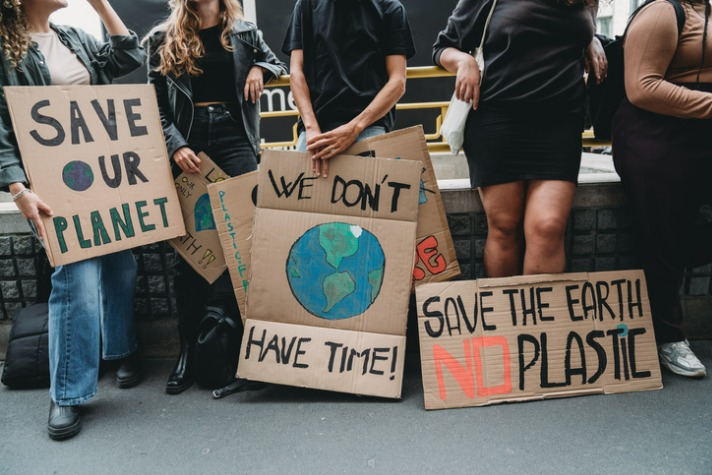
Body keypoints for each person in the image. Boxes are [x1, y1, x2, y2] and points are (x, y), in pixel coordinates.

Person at [0, 0, 145, 440]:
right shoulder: (7, 50)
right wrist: (17, 188)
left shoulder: (74, 36)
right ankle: (66, 392)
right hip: (53, 184)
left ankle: (120, 351)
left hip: (102, 175)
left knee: (121, 261)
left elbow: (129, 56)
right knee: (75, 281)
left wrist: (102, 5)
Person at [144, 0, 287, 394]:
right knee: (189, 250)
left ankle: (241, 346)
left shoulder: (244, 33)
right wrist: (174, 144)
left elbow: (280, 65)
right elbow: (152, 106)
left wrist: (261, 67)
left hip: (235, 137)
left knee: (246, 240)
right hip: (189, 142)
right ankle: (189, 349)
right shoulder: (161, 38)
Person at [433, 0, 606, 278]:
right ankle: (504, 319)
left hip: (560, 124)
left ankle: (542, 321)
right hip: (497, 119)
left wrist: (591, 40)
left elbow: (574, 31)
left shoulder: (586, 1)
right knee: (504, 227)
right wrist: (463, 60)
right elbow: (443, 47)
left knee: (548, 227)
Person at [613, 0, 711, 378]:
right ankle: (669, 338)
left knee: (667, 243)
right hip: (656, 136)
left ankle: (667, 256)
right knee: (662, 231)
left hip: (702, 130)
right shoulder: (662, 12)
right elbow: (642, 88)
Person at [283, 0, 416, 178]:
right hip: (316, 131)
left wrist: (355, 128)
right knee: (292, 204)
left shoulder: (389, 8)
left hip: (368, 127)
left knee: (372, 205)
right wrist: (311, 127)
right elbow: (296, 72)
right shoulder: (306, 5)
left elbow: (398, 81)